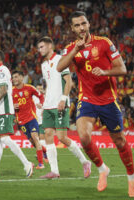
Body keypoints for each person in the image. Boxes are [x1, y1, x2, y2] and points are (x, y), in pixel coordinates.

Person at [57, 11, 134, 197]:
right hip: (87, 100)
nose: (81, 28)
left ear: (89, 24)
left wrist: (105, 72)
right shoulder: (71, 47)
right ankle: (102, 169)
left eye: (83, 23)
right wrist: (75, 51)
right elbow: (60, 67)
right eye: (77, 25)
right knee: (84, 137)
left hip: (108, 100)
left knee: (120, 141)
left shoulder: (104, 42)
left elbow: (122, 69)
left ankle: (131, 178)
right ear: (72, 28)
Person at [37, 36, 91, 179]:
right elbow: (48, 85)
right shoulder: (43, 65)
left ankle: (85, 161)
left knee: (62, 137)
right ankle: (54, 171)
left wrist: (63, 99)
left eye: (42, 46)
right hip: (48, 105)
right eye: (39, 47)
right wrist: (44, 102)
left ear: (50, 46)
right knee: (48, 134)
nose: (39, 50)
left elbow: (68, 82)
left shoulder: (61, 60)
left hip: (60, 104)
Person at [0, 50, 34, 178]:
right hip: (0, 111)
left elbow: (3, 90)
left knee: (4, 138)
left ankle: (27, 164)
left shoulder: (2, 70)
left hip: (4, 110)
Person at [12, 70, 46, 169]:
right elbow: (9, 105)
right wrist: (13, 107)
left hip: (31, 118)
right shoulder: (11, 91)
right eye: (13, 77)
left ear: (22, 78)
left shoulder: (29, 88)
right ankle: (45, 152)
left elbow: (41, 96)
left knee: (35, 138)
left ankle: (41, 164)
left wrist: (41, 103)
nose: (14, 79)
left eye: (16, 77)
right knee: (33, 142)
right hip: (21, 121)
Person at [33, 83, 48, 162]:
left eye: (41, 88)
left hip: (42, 121)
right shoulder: (33, 97)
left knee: (42, 138)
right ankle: (43, 153)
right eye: (38, 88)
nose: (39, 90)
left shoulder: (45, 97)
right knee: (37, 138)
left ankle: (45, 155)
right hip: (34, 120)